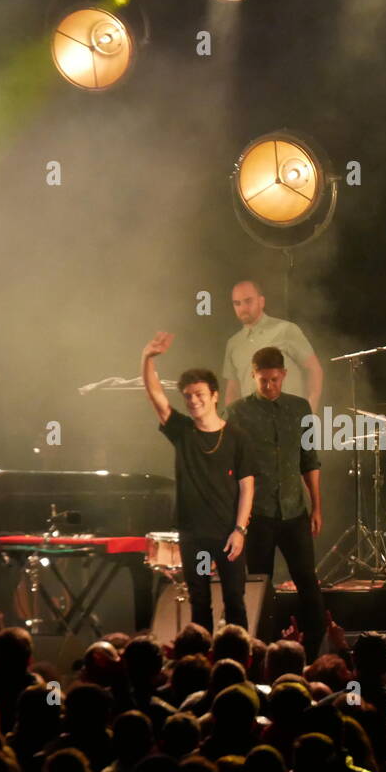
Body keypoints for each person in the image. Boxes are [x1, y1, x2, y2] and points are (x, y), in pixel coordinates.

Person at [141, 331, 255, 631]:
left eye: (199, 394)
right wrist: (147, 358)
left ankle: (241, 662)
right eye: (188, 396)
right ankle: (202, 666)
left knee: (234, 600)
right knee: (200, 602)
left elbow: (247, 486)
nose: (193, 401)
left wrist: (240, 529)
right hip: (195, 537)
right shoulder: (182, 431)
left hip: (228, 535)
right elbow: (156, 396)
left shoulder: (236, 438)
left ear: (214, 396)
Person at [224, 346, 327, 657]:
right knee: (261, 586)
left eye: (274, 380)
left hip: (294, 509)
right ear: (253, 376)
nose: (269, 386)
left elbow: (309, 460)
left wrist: (317, 506)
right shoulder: (239, 411)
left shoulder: (300, 409)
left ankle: (314, 651)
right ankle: (262, 653)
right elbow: (232, 466)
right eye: (262, 380)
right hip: (259, 513)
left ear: (283, 375)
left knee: (308, 582)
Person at [221, 279, 323, 411]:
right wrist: (233, 423)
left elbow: (314, 369)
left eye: (248, 301)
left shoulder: (285, 330)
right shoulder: (233, 343)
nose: (243, 308)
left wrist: (310, 412)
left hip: (288, 418)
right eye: (237, 303)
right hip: (253, 424)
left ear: (261, 301)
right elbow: (232, 390)